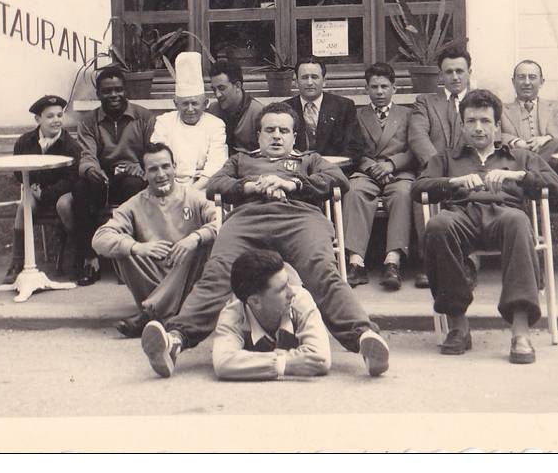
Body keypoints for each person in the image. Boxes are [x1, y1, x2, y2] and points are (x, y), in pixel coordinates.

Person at [140, 102, 390, 379]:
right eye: (269, 130)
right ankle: (175, 340)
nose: (276, 136)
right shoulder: (241, 160)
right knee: (217, 271)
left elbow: (337, 180)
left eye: (284, 130)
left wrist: (292, 184)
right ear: (258, 134)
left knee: (322, 270)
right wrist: (246, 186)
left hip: (299, 218)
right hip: (248, 219)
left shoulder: (309, 159)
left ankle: (364, 338)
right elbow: (214, 185)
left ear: (295, 136)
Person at [412, 89, 558, 364]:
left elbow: (555, 184)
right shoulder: (448, 158)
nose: (478, 128)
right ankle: (457, 325)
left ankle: (520, 331)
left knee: (518, 221)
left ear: (497, 126)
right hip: (461, 215)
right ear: (462, 125)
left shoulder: (517, 157)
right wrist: (452, 183)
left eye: (485, 121)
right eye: (471, 121)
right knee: (437, 225)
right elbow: (418, 187)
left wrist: (517, 176)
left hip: (504, 214)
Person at [92, 142, 218, 338]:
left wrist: (195, 237)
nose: (161, 174)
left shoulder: (194, 198)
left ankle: (151, 315)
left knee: (200, 244)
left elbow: (222, 222)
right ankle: (167, 313)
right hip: (155, 277)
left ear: (174, 167)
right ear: (144, 174)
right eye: (153, 169)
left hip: (189, 279)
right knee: (122, 247)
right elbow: (100, 239)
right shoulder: (134, 204)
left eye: (165, 166)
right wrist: (137, 247)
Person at [70, 66, 155, 286]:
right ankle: (90, 259)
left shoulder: (143, 117)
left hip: (133, 177)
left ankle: (126, 259)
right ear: (98, 94)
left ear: (125, 90)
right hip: (103, 178)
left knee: (132, 186)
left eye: (118, 89)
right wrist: (91, 170)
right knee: (81, 189)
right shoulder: (89, 122)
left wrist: (143, 168)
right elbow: (87, 154)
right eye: (107, 91)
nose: (114, 95)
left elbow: (153, 151)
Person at [341, 62, 417, 290]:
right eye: (374, 87)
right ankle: (356, 262)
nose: (380, 92)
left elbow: (415, 148)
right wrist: (372, 166)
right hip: (368, 171)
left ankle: (392, 261)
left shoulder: (409, 114)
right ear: (366, 89)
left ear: (395, 88)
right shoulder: (356, 115)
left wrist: (391, 165)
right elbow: (352, 148)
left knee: (403, 194)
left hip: (399, 172)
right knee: (354, 192)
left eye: (385, 86)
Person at [406, 46, 474, 288]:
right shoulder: (425, 102)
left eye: (460, 71)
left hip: (471, 168)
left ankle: (467, 263)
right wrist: (440, 168)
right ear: (440, 75)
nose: (455, 77)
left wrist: (461, 169)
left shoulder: (480, 100)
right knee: (424, 193)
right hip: (434, 168)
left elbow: (486, 135)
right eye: (449, 72)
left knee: (475, 192)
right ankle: (430, 262)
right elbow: (417, 136)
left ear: (469, 72)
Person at [212, 249, 331, 381]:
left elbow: (321, 359)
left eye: (288, 283)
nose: (292, 292)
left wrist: (249, 361)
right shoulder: (233, 314)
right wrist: (282, 364)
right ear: (255, 301)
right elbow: (223, 362)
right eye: (282, 289)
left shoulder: (300, 300)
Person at [3, 94, 80, 285]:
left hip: (61, 193)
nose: (56, 121)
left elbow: (72, 178)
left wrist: (47, 192)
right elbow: (19, 171)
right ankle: (17, 262)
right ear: (38, 119)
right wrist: (34, 186)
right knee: (24, 206)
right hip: (36, 191)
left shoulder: (70, 145)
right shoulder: (25, 142)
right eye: (50, 116)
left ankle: (76, 255)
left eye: (59, 115)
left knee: (65, 205)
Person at [150, 52, 228, 192]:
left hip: (203, 187)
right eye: (185, 104)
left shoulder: (216, 125)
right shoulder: (164, 122)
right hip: (167, 185)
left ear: (205, 104)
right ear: (176, 104)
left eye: (195, 103)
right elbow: (158, 159)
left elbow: (216, 165)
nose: (190, 109)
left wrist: (190, 192)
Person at [500, 60, 558, 182]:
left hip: (551, 168)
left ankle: (530, 177)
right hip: (517, 162)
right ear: (513, 82)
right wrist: (516, 142)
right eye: (521, 77)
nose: (527, 82)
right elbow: (494, 135)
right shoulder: (501, 110)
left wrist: (548, 138)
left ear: (541, 82)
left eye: (532, 77)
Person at [282, 56, 363, 166]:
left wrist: (327, 168)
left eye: (314, 77)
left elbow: (354, 148)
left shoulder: (344, 106)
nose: (309, 82)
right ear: (296, 82)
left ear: (324, 81)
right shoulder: (285, 108)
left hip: (335, 171)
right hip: (295, 170)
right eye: (304, 77)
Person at [207, 58, 265, 155]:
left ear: (238, 86)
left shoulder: (258, 113)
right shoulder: (212, 111)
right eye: (214, 89)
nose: (217, 95)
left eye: (222, 88)